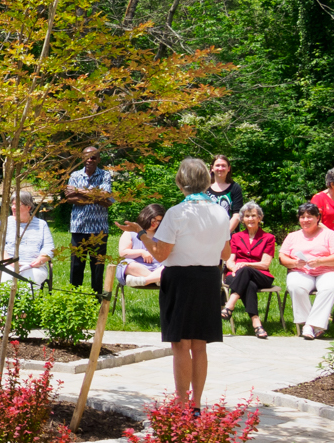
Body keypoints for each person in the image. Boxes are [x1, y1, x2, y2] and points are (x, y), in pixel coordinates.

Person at [119, 158, 231, 413]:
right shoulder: (220, 211)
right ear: (207, 180)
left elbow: (159, 254)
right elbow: (226, 253)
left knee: (181, 344)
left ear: (180, 181)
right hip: (208, 280)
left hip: (180, 280)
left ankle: (181, 404)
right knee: (199, 345)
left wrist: (141, 234)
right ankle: (197, 404)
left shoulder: (177, 213)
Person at [280, 201, 334, 339]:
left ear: (317, 218)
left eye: (309, 217)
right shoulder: (292, 236)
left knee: (329, 287)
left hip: (330, 271)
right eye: (302, 217)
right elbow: (282, 257)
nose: (305, 220)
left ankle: (310, 326)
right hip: (301, 271)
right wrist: (295, 263)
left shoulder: (329, 234)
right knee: (295, 286)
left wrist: (320, 261)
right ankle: (313, 325)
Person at [63, 146, 113, 296]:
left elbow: (105, 196)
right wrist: (97, 198)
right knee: (76, 266)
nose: (89, 160)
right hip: (78, 227)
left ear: (99, 159)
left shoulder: (105, 175)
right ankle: (74, 298)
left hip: (99, 229)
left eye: (93, 157)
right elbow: (70, 198)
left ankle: (96, 299)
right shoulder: (75, 175)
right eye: (87, 157)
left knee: (97, 266)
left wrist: (79, 191)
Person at [222, 201, 276, 338]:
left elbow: (265, 264)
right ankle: (256, 323)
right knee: (249, 284)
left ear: (260, 218)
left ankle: (230, 304)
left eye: (253, 215)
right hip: (236, 274)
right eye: (247, 216)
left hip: (261, 275)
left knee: (246, 270)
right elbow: (230, 261)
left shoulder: (268, 238)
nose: (250, 219)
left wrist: (246, 265)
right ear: (242, 219)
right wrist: (235, 269)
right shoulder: (235, 237)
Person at [1, 190, 55, 287]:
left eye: (17, 205)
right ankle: (5, 303)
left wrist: (41, 260)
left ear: (28, 207)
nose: (13, 207)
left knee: (30, 282)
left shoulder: (41, 225)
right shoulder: (5, 223)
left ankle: (28, 302)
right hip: (8, 265)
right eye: (12, 204)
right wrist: (9, 261)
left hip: (34, 267)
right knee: (7, 280)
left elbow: (49, 247)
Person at [117, 204, 165, 287]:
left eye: (158, 221)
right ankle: (157, 279)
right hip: (137, 267)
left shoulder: (162, 235)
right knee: (125, 264)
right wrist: (141, 252)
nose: (155, 223)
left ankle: (146, 280)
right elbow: (122, 253)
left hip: (157, 267)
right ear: (146, 216)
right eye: (153, 219)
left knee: (170, 266)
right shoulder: (130, 232)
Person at [204, 155, 245, 230]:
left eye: (223, 166)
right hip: (206, 234)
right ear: (212, 168)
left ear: (228, 168)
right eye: (217, 165)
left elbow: (237, 215)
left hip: (229, 235)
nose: (220, 168)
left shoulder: (235, 188)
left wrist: (224, 235)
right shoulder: (204, 188)